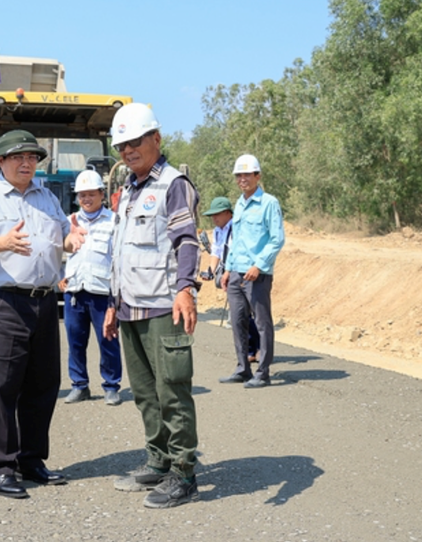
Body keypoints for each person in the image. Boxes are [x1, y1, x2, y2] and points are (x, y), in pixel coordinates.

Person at [0, 130, 85, 499]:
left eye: (32, 157)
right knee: (1, 387)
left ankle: (32, 459)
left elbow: (64, 236)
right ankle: (0, 467)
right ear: (0, 162)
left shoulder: (47, 198)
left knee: (42, 384)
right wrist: (2, 243)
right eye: (17, 157)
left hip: (44, 302)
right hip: (3, 302)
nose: (26, 163)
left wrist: (73, 240)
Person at [102, 103, 201, 509]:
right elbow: (119, 252)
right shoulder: (128, 189)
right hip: (130, 309)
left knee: (172, 392)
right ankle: (158, 461)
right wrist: (113, 302)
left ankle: (183, 472)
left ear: (156, 139)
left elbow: (187, 241)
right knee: (144, 393)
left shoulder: (173, 184)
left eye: (135, 142)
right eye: (122, 145)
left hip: (164, 307)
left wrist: (185, 288)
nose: (128, 151)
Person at [218, 155, 285, 389]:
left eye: (247, 174)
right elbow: (236, 241)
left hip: (257, 274)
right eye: (239, 175)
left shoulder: (268, 203)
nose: (243, 179)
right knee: (237, 322)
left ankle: (263, 372)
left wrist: (259, 265)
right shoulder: (239, 203)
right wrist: (227, 269)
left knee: (262, 323)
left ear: (258, 176)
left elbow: (277, 239)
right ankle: (242, 368)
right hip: (237, 273)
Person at [58, 170, 122, 406]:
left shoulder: (114, 221)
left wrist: (117, 295)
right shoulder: (70, 221)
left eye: (91, 194)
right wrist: (58, 276)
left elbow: (119, 258)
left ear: (101, 194)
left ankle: (112, 386)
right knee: (75, 342)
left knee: (108, 340)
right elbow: (58, 250)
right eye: (82, 195)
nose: (86, 199)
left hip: (102, 292)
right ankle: (79, 385)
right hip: (75, 291)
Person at [200, 197, 260, 361]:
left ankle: (258, 347)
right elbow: (216, 251)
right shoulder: (218, 230)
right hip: (230, 274)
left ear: (228, 213)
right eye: (212, 215)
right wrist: (211, 271)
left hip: (242, 271)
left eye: (217, 214)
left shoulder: (237, 228)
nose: (214, 218)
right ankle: (249, 350)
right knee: (239, 314)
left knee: (247, 313)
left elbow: (237, 252)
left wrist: (228, 273)